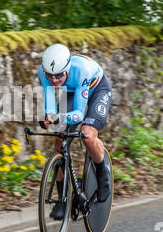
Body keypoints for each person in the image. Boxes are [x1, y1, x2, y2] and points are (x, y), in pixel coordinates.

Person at [38, 43, 112, 219]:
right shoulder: (43, 73)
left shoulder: (81, 71)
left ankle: (103, 174)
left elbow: (78, 115)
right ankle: (62, 200)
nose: (54, 80)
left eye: (59, 76)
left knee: (87, 134)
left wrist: (58, 118)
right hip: (72, 91)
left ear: (67, 69)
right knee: (59, 140)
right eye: (50, 76)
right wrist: (49, 117)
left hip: (97, 89)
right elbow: (50, 104)